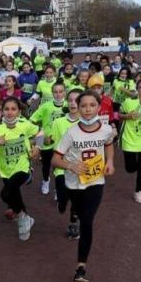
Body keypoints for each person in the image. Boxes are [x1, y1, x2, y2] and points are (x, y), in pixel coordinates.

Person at [53, 91, 115, 282]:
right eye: (83, 106)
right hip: (73, 182)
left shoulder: (105, 130)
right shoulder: (71, 133)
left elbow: (109, 144)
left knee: (87, 221)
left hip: (95, 182)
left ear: (98, 107)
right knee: (76, 209)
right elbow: (56, 159)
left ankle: (81, 266)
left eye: (92, 105)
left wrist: (110, 161)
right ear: (78, 109)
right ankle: (69, 207)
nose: (87, 109)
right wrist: (71, 165)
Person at [0, 97, 41, 241]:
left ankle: (22, 218)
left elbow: (40, 133)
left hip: (23, 167)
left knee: (9, 190)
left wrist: (38, 146)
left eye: (13, 109)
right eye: (6, 109)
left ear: (19, 111)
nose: (10, 112)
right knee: (10, 194)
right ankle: (25, 217)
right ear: (2, 111)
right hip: (5, 170)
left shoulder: (24, 124)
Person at [50, 89, 83, 240]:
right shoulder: (58, 122)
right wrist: (43, 141)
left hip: (79, 168)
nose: (72, 103)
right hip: (62, 167)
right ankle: (62, 204)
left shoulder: (87, 123)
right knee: (63, 197)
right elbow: (51, 141)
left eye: (76, 100)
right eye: (69, 100)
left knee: (77, 198)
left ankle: (73, 224)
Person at [29, 81, 66, 195]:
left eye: (60, 92)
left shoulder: (69, 106)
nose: (58, 94)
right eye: (55, 92)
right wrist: (39, 134)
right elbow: (32, 120)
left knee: (59, 168)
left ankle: (58, 188)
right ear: (52, 93)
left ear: (65, 92)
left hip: (63, 142)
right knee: (46, 165)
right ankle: (45, 180)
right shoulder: (45, 106)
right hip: (47, 142)